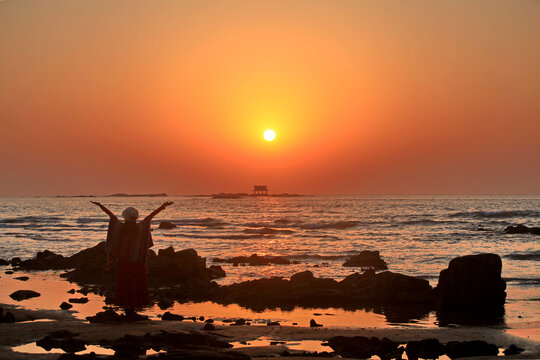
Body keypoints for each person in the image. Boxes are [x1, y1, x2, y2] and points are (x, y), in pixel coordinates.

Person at [91, 201, 173, 319]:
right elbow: (151, 216)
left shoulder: (120, 228)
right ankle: (132, 310)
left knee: (124, 284)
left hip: (124, 262)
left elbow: (111, 216)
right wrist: (162, 207)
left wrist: (100, 206)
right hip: (137, 262)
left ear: (125, 217)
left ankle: (127, 310)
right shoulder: (140, 228)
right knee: (136, 284)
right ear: (135, 217)